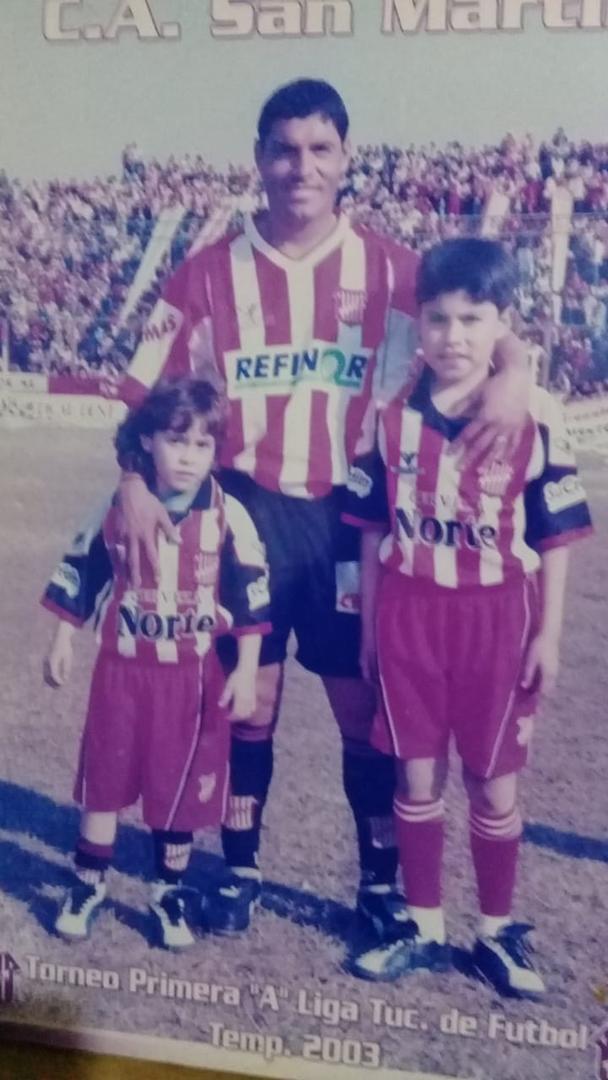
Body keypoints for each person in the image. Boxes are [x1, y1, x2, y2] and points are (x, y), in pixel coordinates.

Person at [115, 79, 530, 942]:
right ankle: (241, 868)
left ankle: (380, 879)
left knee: (359, 699)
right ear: (258, 159)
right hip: (248, 511)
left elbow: (485, 321)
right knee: (249, 698)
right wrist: (130, 482)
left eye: (319, 149)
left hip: (350, 513)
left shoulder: (390, 268)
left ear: (346, 159)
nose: (299, 166)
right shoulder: (206, 272)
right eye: (282, 148)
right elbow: (139, 389)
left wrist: (517, 371)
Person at [343, 238, 593, 992]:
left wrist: (548, 634)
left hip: (498, 618)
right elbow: (370, 531)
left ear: (501, 325)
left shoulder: (535, 412)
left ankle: (495, 932)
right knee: (416, 778)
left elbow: (553, 536)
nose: (454, 337)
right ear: (418, 324)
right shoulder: (388, 415)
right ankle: (423, 925)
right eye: (439, 320)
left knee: (492, 782)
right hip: (409, 616)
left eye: (472, 320)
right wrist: (367, 631)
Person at [42, 377, 271, 949]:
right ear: (146, 442)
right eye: (176, 442)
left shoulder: (229, 516)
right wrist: (61, 639)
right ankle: (88, 883)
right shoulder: (116, 507)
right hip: (123, 672)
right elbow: (81, 573)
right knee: (105, 780)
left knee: (179, 789)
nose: (189, 458)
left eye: (201, 446)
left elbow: (250, 597)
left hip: (193, 677)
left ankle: (167, 891)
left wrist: (244, 671)